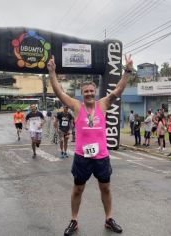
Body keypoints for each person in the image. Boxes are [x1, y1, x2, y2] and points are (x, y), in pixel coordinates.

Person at [48, 54, 132, 235]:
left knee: (105, 188)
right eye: (86, 91)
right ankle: (74, 220)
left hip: (101, 157)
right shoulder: (77, 107)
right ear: (82, 93)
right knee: (78, 189)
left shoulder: (102, 105)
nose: (89, 93)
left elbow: (118, 90)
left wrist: (127, 70)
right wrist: (52, 72)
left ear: (95, 92)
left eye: (91, 91)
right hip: (82, 157)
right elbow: (59, 93)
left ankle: (109, 219)